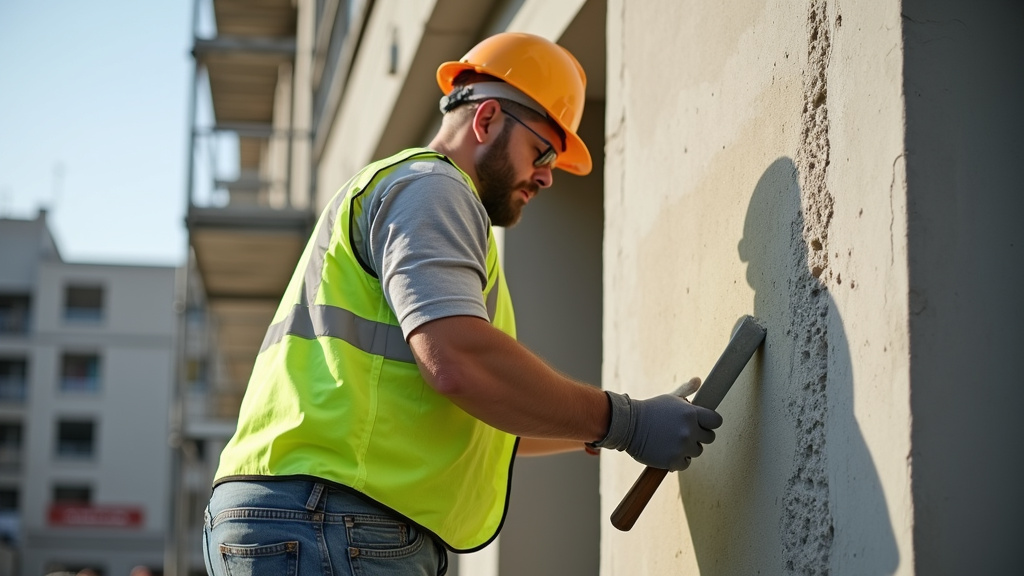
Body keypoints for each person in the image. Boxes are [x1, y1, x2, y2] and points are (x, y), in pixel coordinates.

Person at [203, 32, 723, 576]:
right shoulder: (434, 190)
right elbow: (459, 364)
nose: (546, 174)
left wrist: (603, 427)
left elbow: (479, 414)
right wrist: (628, 423)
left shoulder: (408, 192)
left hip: (306, 514)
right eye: (543, 151)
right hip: (331, 519)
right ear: (487, 119)